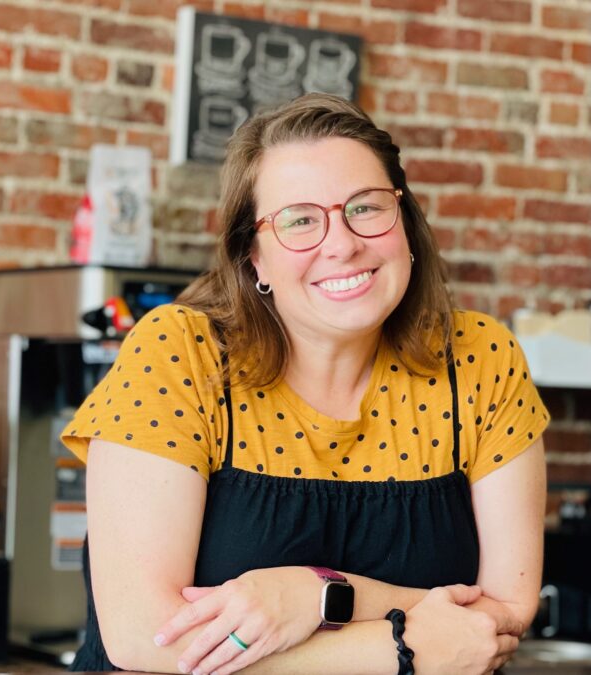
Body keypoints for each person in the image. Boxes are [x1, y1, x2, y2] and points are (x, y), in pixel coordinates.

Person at [60, 93, 548, 674]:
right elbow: (147, 638)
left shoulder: (478, 359)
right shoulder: (181, 354)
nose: (341, 243)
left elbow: (506, 611)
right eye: (299, 221)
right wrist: (404, 650)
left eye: (365, 208)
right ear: (255, 259)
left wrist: (315, 595)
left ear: (406, 225)